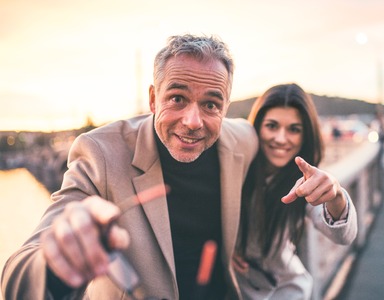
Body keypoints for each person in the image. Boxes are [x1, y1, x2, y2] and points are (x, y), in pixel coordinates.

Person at [1, 34, 260, 300]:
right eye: (177, 98)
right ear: (153, 99)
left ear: (225, 108)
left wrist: (303, 181)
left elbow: (277, 158)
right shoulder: (100, 153)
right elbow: (17, 278)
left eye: (210, 105)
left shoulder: (243, 139)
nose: (193, 121)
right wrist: (55, 264)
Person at [232, 83, 357, 299]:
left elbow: (343, 235)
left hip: (284, 292)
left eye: (294, 129)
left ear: (305, 136)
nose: (281, 138)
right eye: (272, 126)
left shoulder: (304, 182)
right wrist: (225, 247)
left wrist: (336, 196)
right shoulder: (234, 167)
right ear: (257, 126)